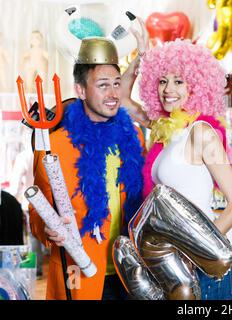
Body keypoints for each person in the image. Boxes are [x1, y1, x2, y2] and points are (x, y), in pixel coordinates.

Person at [29, 19, 150, 300]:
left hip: (131, 274)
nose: (112, 94)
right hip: (79, 275)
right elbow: (36, 212)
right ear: (81, 90)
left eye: (117, 84)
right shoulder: (53, 144)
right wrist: (47, 228)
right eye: (103, 85)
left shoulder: (133, 137)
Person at [135, 40, 232, 300]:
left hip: (205, 267)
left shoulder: (201, 133)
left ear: (196, 85)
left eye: (179, 81)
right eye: (162, 81)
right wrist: (142, 52)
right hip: (171, 265)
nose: (168, 89)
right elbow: (126, 104)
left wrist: (197, 249)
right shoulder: (168, 131)